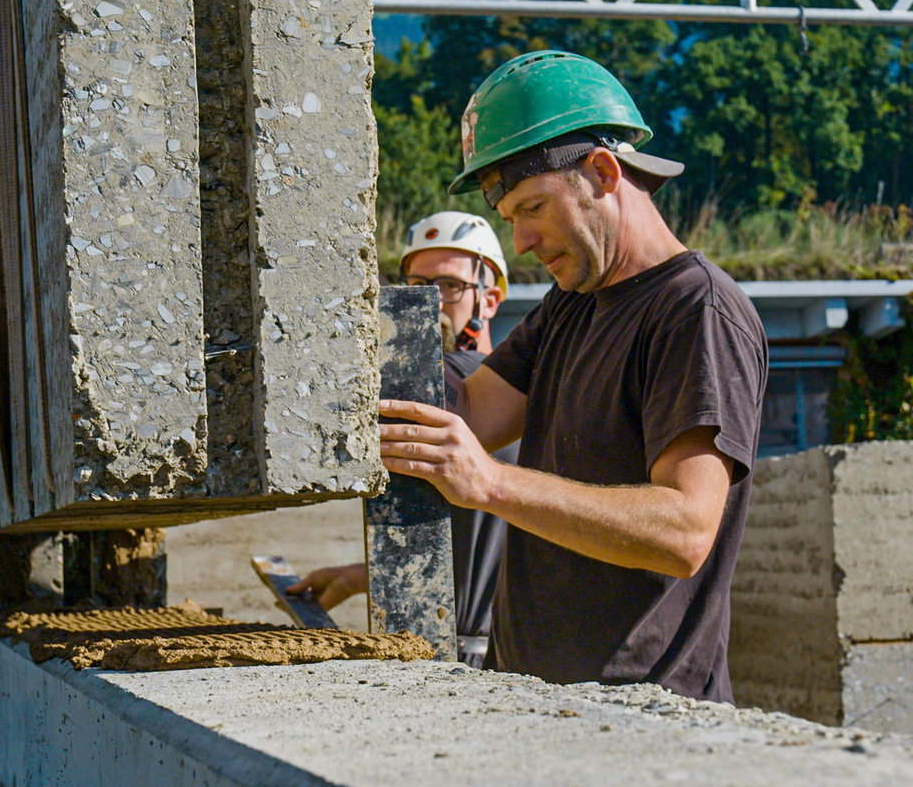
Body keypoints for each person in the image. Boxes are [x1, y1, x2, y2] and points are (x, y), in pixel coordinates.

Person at [372, 50, 768, 702]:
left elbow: (685, 530)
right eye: (511, 219)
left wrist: (491, 482)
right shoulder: (572, 306)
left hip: (643, 715)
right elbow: (470, 411)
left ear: (603, 172)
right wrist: (378, 327)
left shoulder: (697, 312)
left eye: (533, 207)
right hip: (540, 701)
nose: (521, 240)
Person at [289, 212, 517, 663]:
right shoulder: (517, 396)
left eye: (449, 286)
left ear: (489, 300)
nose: (429, 299)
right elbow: (468, 547)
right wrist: (363, 575)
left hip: (475, 653)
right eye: (416, 284)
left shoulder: (458, 384)